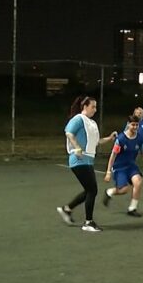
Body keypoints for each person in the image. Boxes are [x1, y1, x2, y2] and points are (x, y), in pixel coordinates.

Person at [56, 96, 117, 232]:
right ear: (85, 107)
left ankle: (67, 209)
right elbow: (69, 133)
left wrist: (109, 138)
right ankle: (88, 223)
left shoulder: (92, 124)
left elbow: (97, 142)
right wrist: (77, 147)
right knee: (92, 190)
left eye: (96, 107)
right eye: (93, 107)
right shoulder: (78, 119)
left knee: (89, 190)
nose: (95, 110)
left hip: (88, 160)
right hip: (79, 160)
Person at [103, 115, 143, 217]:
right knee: (124, 190)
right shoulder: (121, 139)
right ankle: (110, 192)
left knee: (138, 182)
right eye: (133, 125)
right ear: (128, 125)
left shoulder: (140, 137)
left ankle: (132, 208)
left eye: (137, 125)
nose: (135, 127)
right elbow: (113, 155)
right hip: (119, 167)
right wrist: (108, 171)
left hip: (131, 166)